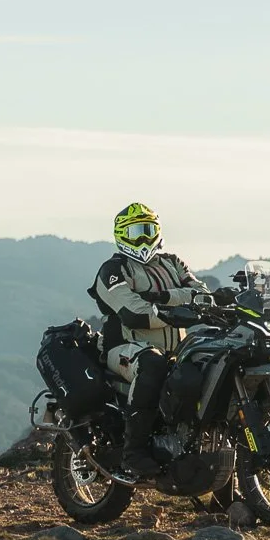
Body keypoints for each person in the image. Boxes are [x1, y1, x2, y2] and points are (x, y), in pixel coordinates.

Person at [89, 203, 215, 484]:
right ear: (122, 235)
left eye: (149, 230)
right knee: (152, 363)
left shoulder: (173, 262)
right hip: (123, 349)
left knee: (207, 366)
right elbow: (134, 312)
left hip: (175, 351)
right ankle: (132, 453)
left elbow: (202, 296)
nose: (143, 238)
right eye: (136, 232)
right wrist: (179, 304)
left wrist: (161, 299)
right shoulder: (113, 269)